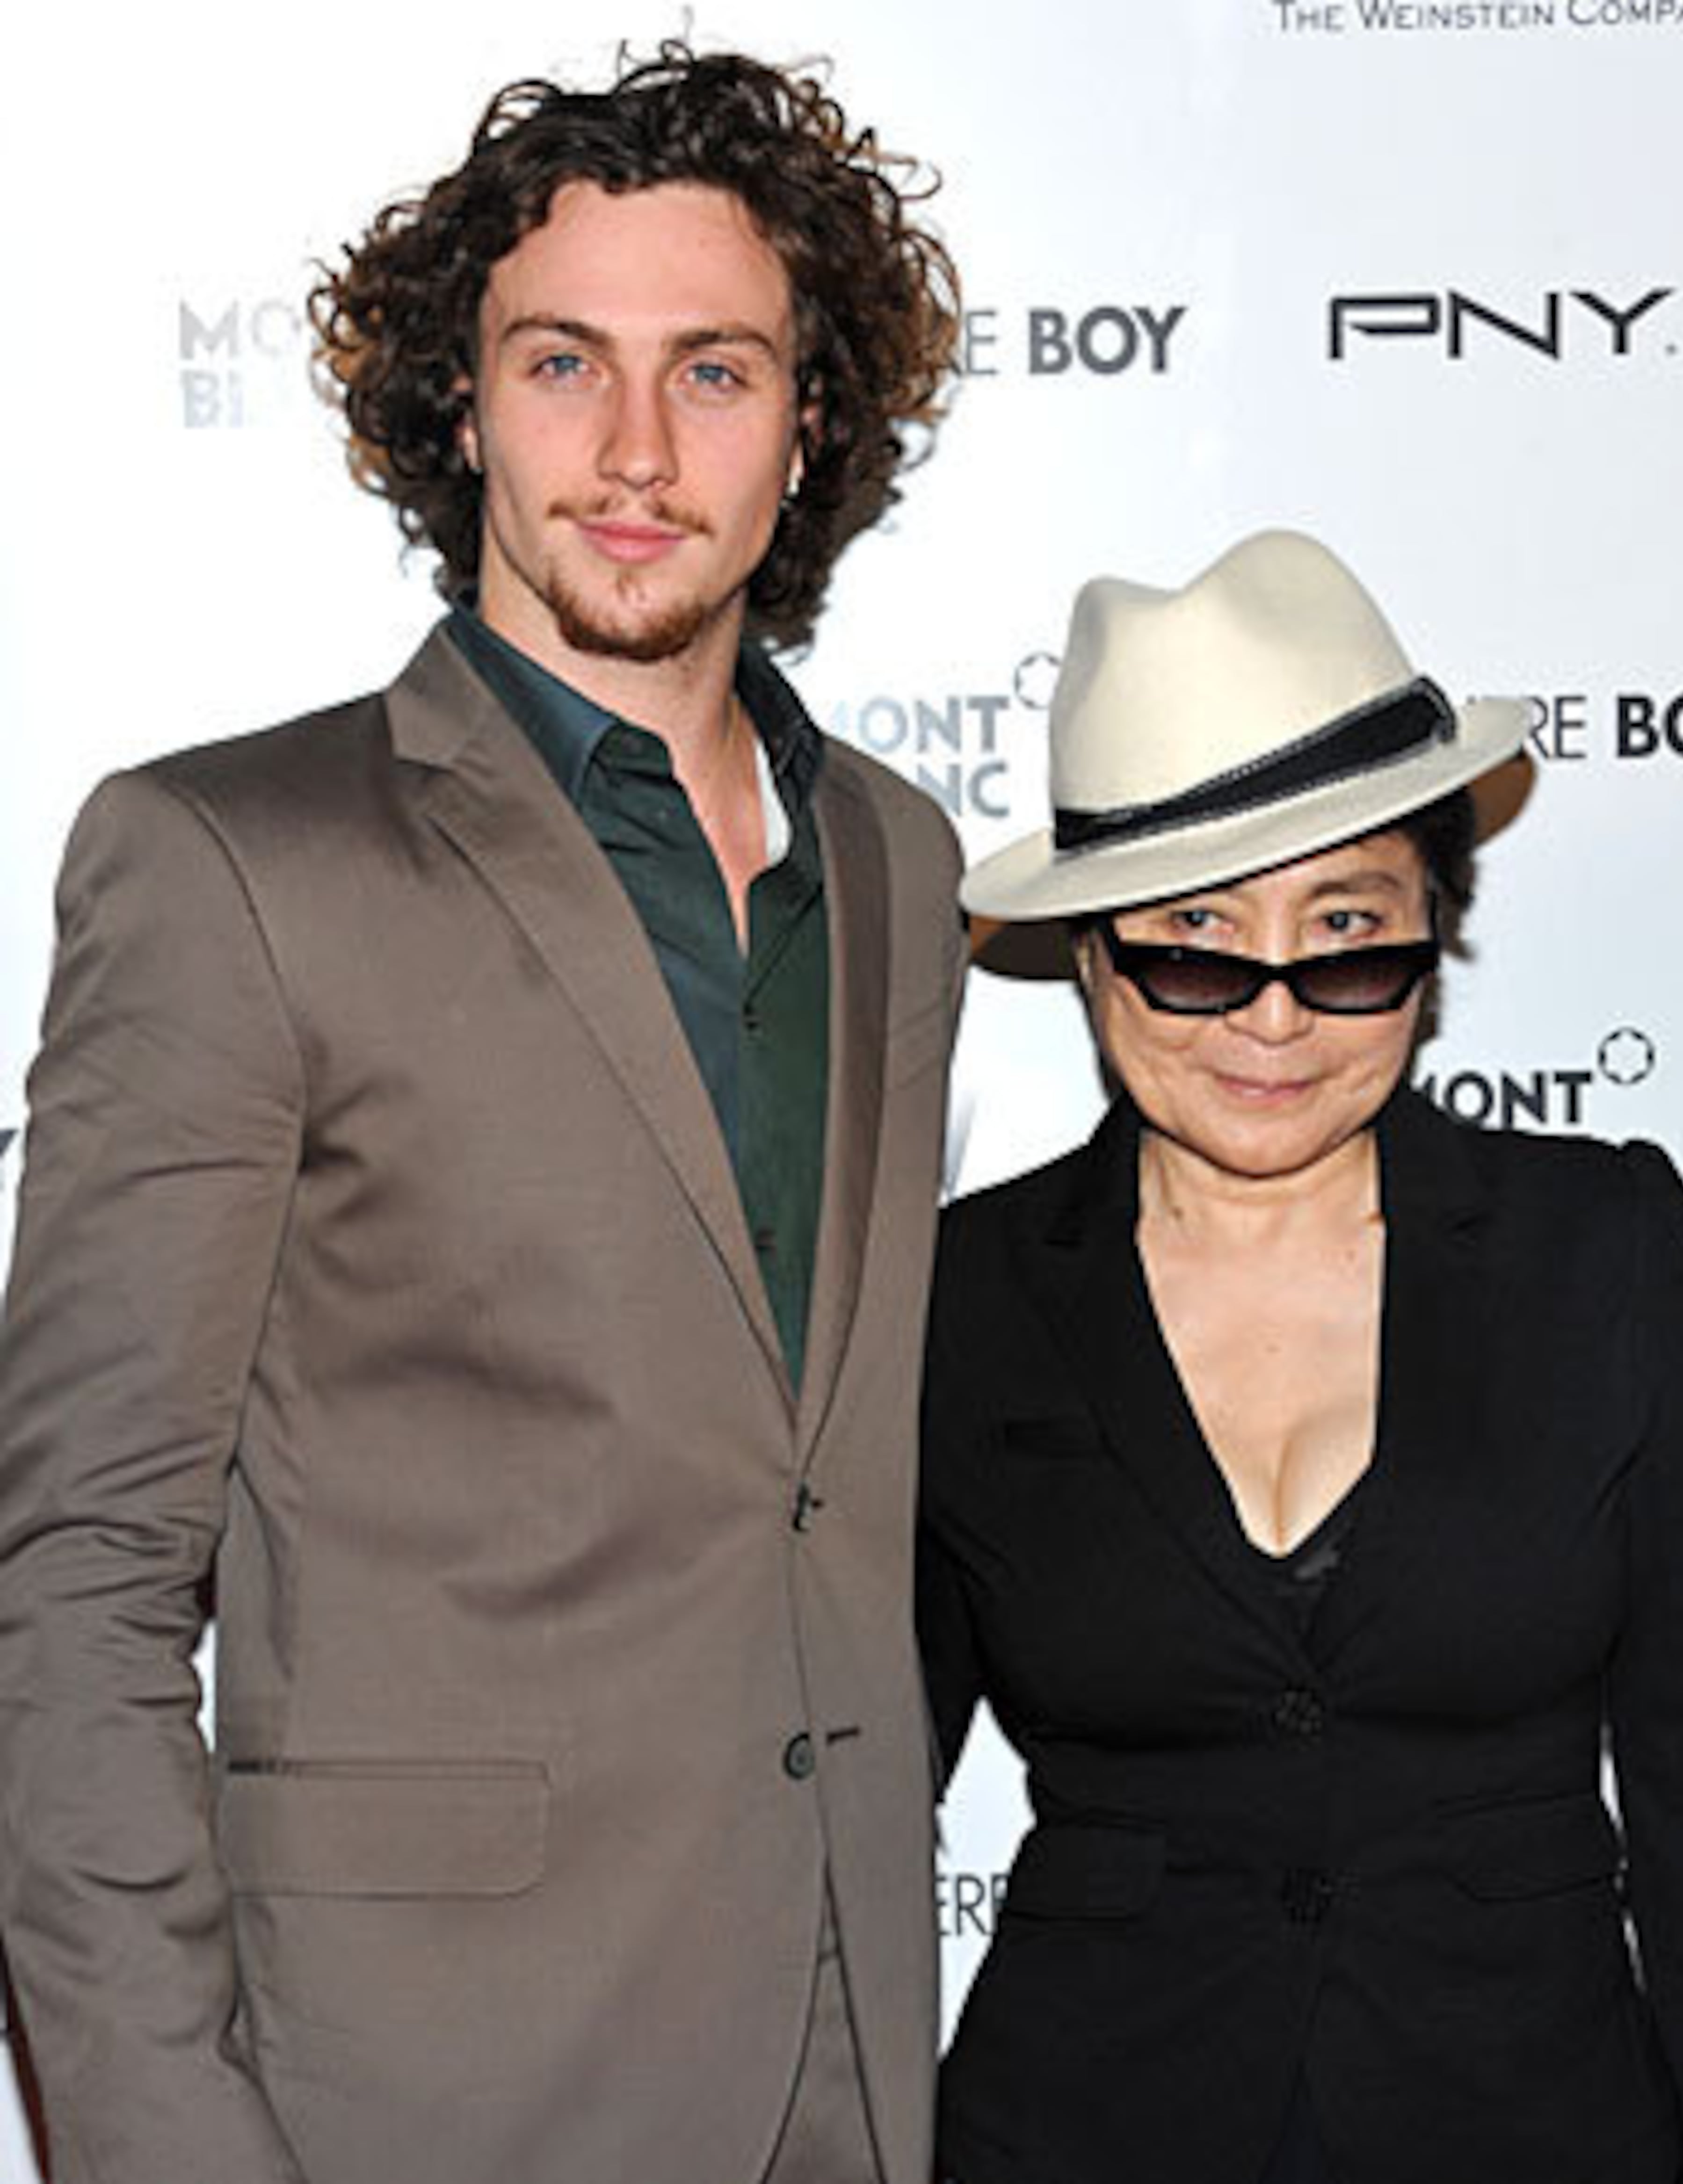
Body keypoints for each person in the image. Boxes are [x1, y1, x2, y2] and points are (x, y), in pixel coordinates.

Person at [0, 44, 963, 2184]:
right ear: (462, 405)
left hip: (851, 2069)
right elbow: (77, 1584)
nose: (636, 450)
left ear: (813, 428)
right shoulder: (233, 860)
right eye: (563, 364)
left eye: (715, 373)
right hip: (427, 2096)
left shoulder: (897, 862)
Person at [917, 529, 1683, 2184]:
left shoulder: (1603, 1248)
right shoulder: (960, 1296)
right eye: (1193, 940)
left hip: (1535, 2124)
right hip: (1085, 2125)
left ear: (1434, 942)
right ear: (1092, 953)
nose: (1272, 1017)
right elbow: (865, 1796)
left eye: (1346, 935)